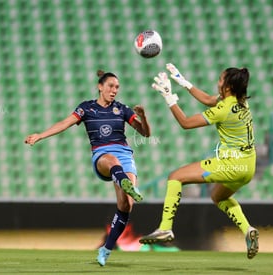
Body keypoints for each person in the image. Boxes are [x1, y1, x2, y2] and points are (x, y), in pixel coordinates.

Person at [24, 70, 151, 266]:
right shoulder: (86, 108)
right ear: (100, 86)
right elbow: (65, 123)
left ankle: (106, 249)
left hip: (125, 155)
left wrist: (143, 116)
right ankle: (125, 182)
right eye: (110, 86)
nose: (114, 90)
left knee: (126, 205)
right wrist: (40, 135)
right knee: (112, 162)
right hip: (102, 155)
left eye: (117, 87)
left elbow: (145, 133)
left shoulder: (122, 109)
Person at [139, 63, 259, 259]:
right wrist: (183, 82)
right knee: (218, 197)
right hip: (248, 166)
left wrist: (169, 97)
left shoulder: (223, 110)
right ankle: (248, 230)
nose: (217, 82)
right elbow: (209, 100)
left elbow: (186, 123)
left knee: (175, 177)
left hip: (232, 164)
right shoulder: (242, 102)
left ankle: (165, 228)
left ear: (227, 86)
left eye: (220, 79)